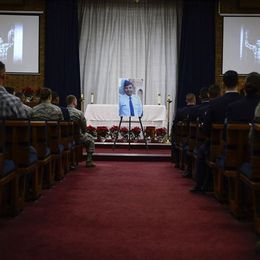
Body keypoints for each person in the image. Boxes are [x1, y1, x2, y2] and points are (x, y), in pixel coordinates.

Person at [190, 70, 242, 193]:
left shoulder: (215, 103)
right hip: (248, 151)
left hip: (219, 146)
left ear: (223, 84)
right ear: (238, 83)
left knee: (202, 151)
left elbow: (206, 129)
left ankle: (202, 185)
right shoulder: (246, 102)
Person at [66, 95, 96, 167]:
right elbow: (84, 129)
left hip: (64, 137)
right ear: (74, 101)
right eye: (76, 101)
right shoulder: (79, 113)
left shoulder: (63, 111)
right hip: (77, 137)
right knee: (91, 140)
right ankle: (89, 161)